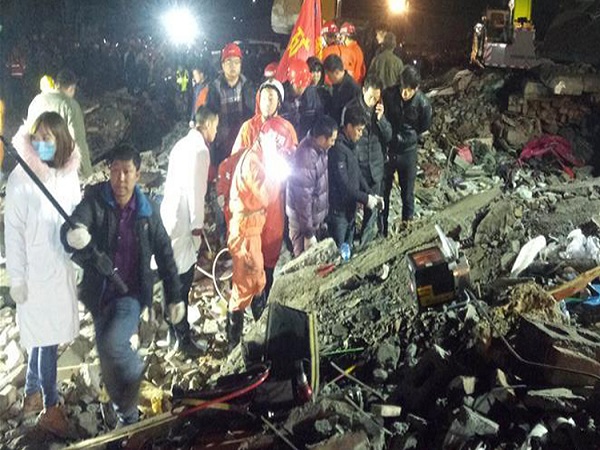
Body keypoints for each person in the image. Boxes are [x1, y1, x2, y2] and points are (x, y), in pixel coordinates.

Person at [60, 145, 184, 427]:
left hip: (131, 294)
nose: (121, 179)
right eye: (115, 171)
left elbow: (165, 253)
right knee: (107, 359)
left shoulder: (147, 212)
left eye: (127, 171)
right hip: (99, 294)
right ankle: (127, 417)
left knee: (113, 344)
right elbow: (74, 224)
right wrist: (73, 235)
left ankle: (135, 371)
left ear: (138, 174)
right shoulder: (96, 200)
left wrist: (174, 296)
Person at [5, 112, 81, 437]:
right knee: (47, 339)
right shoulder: (21, 180)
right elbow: (13, 233)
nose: (41, 144)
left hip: (60, 268)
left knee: (44, 335)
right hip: (35, 273)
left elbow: (76, 214)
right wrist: (17, 278)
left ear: (61, 140)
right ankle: (51, 406)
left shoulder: (68, 175)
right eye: (37, 138)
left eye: (48, 138)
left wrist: (79, 243)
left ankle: (32, 392)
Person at [226, 118, 296, 350]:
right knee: (245, 285)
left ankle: (262, 332)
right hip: (245, 233)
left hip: (251, 230)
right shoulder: (253, 163)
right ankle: (234, 343)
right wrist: (275, 171)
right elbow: (267, 195)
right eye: (277, 145)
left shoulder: (259, 157)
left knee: (258, 282)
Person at [160, 106, 218, 357]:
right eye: (216, 126)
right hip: (184, 223)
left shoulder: (180, 145)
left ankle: (172, 333)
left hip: (169, 218)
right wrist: (197, 228)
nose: (216, 131)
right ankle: (183, 340)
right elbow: (197, 193)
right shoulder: (200, 151)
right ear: (208, 125)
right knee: (181, 283)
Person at [382, 65, 432, 235]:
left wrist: (409, 137)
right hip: (390, 149)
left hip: (408, 152)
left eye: (409, 90)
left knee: (407, 193)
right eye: (402, 88)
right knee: (384, 191)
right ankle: (382, 230)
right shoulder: (389, 95)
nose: (404, 93)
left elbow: (424, 126)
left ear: (416, 88)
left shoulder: (423, 104)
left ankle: (407, 228)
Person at [342, 76, 392, 244]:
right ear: (363, 90)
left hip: (376, 167)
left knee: (372, 210)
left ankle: (365, 243)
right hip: (358, 166)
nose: (373, 101)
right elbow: (345, 138)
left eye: (376, 98)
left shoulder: (380, 109)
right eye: (371, 97)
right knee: (351, 209)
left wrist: (381, 119)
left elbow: (389, 136)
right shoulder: (350, 109)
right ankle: (348, 243)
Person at [327, 106, 382, 249]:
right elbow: (344, 186)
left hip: (350, 210)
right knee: (339, 252)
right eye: (359, 130)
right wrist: (366, 199)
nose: (361, 134)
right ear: (349, 127)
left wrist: (371, 193)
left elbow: (357, 173)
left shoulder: (351, 146)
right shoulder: (338, 150)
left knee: (348, 250)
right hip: (339, 213)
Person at [26, 68, 93, 179]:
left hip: (36, 164)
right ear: (71, 88)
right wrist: (87, 172)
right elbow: (78, 141)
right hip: (59, 167)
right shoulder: (70, 105)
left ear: (57, 84)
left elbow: (28, 134)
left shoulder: (36, 101)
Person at [286, 116, 338, 257]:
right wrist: (308, 234)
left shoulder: (320, 150)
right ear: (322, 138)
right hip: (303, 225)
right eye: (332, 140)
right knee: (305, 263)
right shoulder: (306, 158)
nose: (333, 144)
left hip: (313, 221)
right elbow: (303, 200)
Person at [202, 43, 255, 169]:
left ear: (241, 65)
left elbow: (253, 115)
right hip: (222, 147)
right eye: (229, 62)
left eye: (236, 62)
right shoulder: (215, 88)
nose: (233, 66)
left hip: (243, 145)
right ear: (223, 65)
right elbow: (209, 119)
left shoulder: (247, 86)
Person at [323, 54, 361, 126]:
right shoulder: (336, 85)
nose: (328, 78)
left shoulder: (352, 89)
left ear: (337, 72)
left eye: (329, 75)